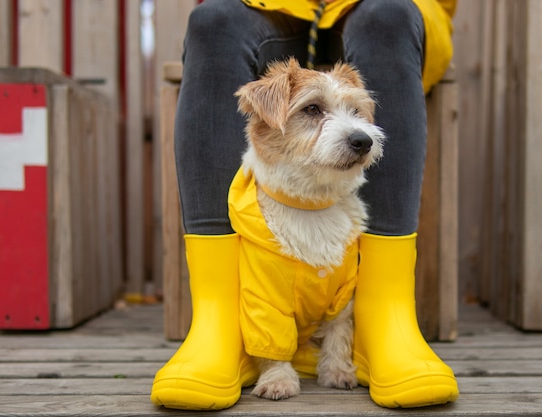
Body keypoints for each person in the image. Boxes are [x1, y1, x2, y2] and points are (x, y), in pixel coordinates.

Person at [151, 0, 458, 410]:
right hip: (269, 6)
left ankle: (386, 312)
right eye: (314, 111)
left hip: (380, 10)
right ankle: (218, 319)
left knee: (389, 14)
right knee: (213, 20)